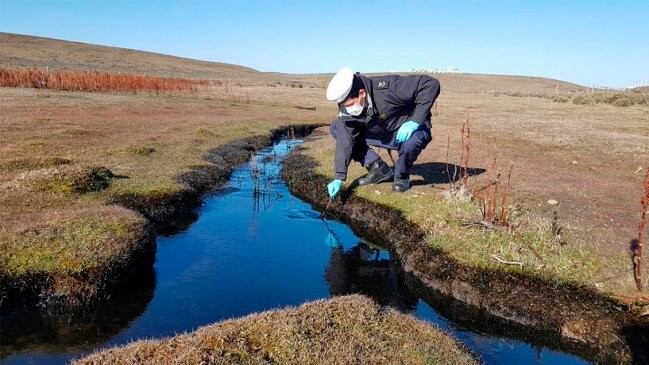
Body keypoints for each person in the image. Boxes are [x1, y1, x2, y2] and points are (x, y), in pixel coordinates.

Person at [325, 68, 440, 197]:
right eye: (344, 106)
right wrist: (338, 177)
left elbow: (430, 84)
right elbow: (345, 141)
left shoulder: (388, 88)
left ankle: (401, 176)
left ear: (362, 93)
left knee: (412, 141)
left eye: (351, 104)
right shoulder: (346, 110)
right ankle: (378, 168)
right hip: (381, 132)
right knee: (337, 127)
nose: (348, 109)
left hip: (407, 129)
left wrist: (415, 121)